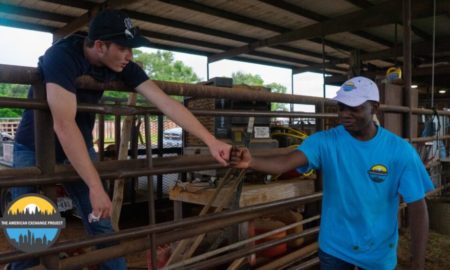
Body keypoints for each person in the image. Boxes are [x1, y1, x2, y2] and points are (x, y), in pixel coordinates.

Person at [9, 9, 231, 270]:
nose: (130, 55)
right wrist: (95, 186)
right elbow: (63, 124)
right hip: (33, 148)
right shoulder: (61, 56)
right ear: (100, 46)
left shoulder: (122, 65)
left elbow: (166, 103)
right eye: (124, 47)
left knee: (102, 225)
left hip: (77, 147)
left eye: (131, 48)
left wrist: (211, 140)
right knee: (31, 234)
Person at [230, 76, 434, 270]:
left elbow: (417, 206)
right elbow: (286, 162)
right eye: (341, 107)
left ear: (375, 107)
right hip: (335, 246)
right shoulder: (325, 141)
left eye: (354, 108)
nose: (345, 114)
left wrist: (418, 262)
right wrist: (252, 161)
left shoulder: (399, 151)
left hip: (377, 250)